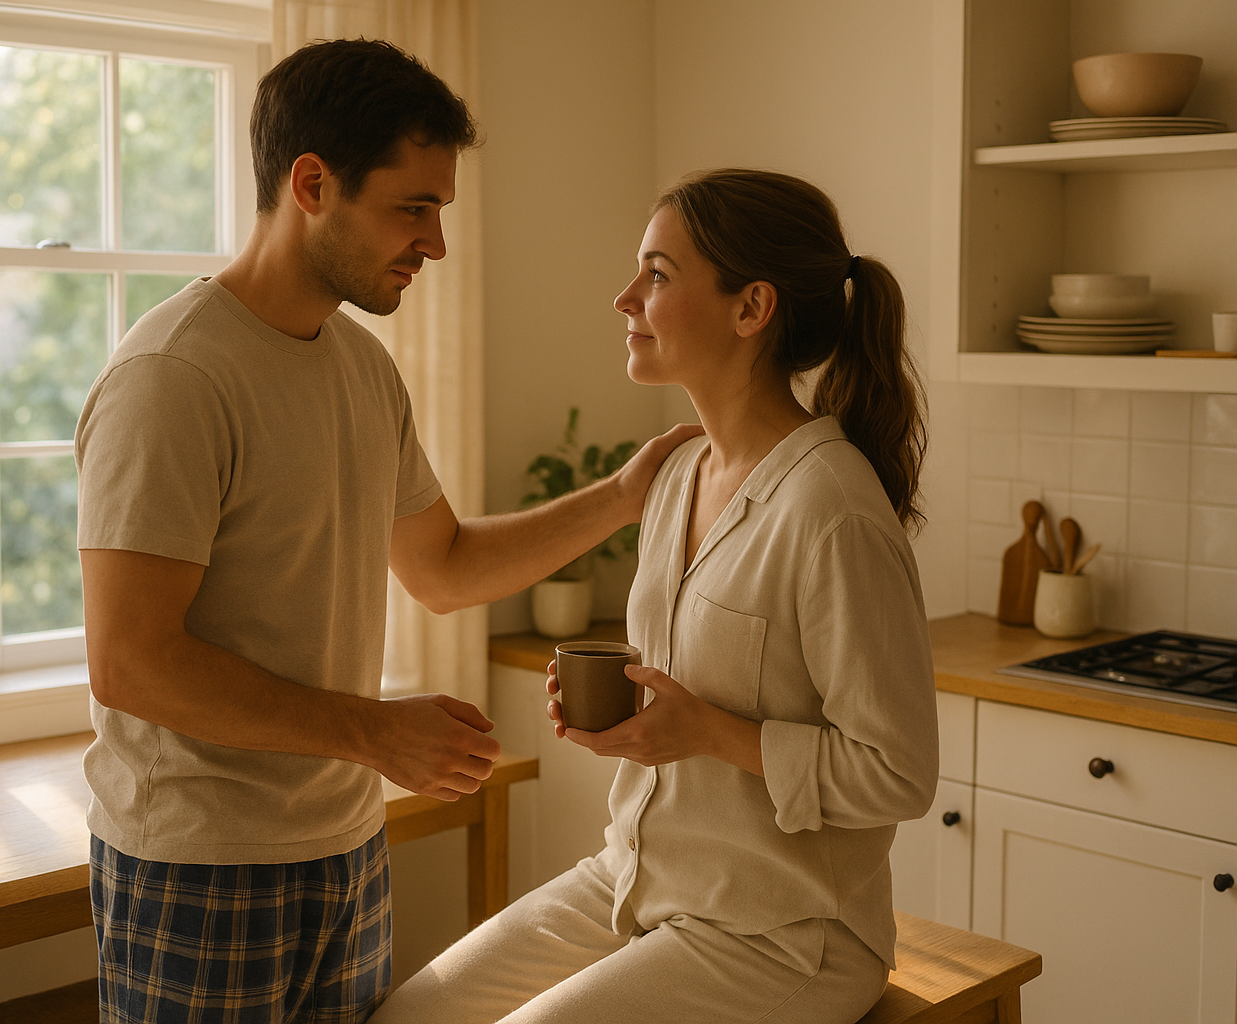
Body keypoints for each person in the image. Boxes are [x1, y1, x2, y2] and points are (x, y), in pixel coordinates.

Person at [74, 39, 699, 1024]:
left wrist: (623, 494)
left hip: (344, 847)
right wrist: (374, 729)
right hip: (198, 865)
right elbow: (131, 662)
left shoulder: (362, 371)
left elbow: (445, 568)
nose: (436, 244)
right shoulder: (174, 378)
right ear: (312, 184)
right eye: (416, 207)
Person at [367, 169, 940, 1024]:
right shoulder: (675, 477)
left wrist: (710, 733)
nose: (624, 296)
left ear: (753, 308)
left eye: (659, 275)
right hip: (634, 885)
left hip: (781, 935)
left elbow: (899, 774)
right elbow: (703, 677)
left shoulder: (832, 510)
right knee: (407, 1016)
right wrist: (633, 714)